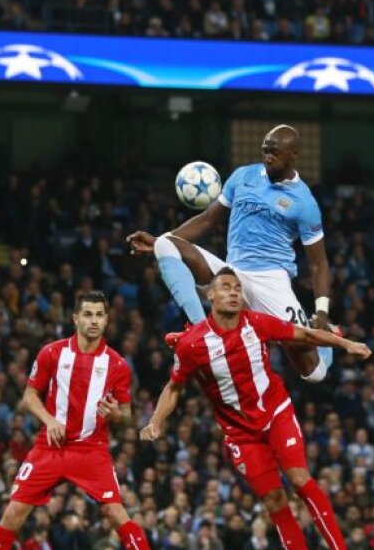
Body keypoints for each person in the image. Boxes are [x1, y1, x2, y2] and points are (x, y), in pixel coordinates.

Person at [141, 269, 372, 550]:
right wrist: (156, 421)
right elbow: (173, 387)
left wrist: (346, 343)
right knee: (275, 503)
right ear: (211, 297)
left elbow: (304, 334)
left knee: (299, 479)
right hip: (240, 433)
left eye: (237, 288)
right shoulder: (193, 344)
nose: (233, 293)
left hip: (276, 412)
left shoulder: (256, 324)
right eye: (225, 288)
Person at [0, 291, 174, 550]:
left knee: (116, 512)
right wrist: (49, 420)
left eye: (99, 315)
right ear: (75, 319)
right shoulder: (52, 354)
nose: (94, 321)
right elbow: (29, 395)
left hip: (91, 449)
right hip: (50, 446)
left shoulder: (116, 364)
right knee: (13, 513)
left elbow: (127, 416)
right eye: (87, 314)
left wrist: (117, 415)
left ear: (106, 319)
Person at [127, 125, 336, 383]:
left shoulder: (304, 203)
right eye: (265, 151)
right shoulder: (243, 177)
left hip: (270, 281)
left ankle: (325, 345)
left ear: (293, 154)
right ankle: (203, 332)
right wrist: (159, 241)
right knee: (166, 243)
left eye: (275, 152)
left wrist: (322, 313)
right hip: (231, 273)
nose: (268, 156)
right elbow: (207, 221)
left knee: (314, 374)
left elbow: (318, 264)